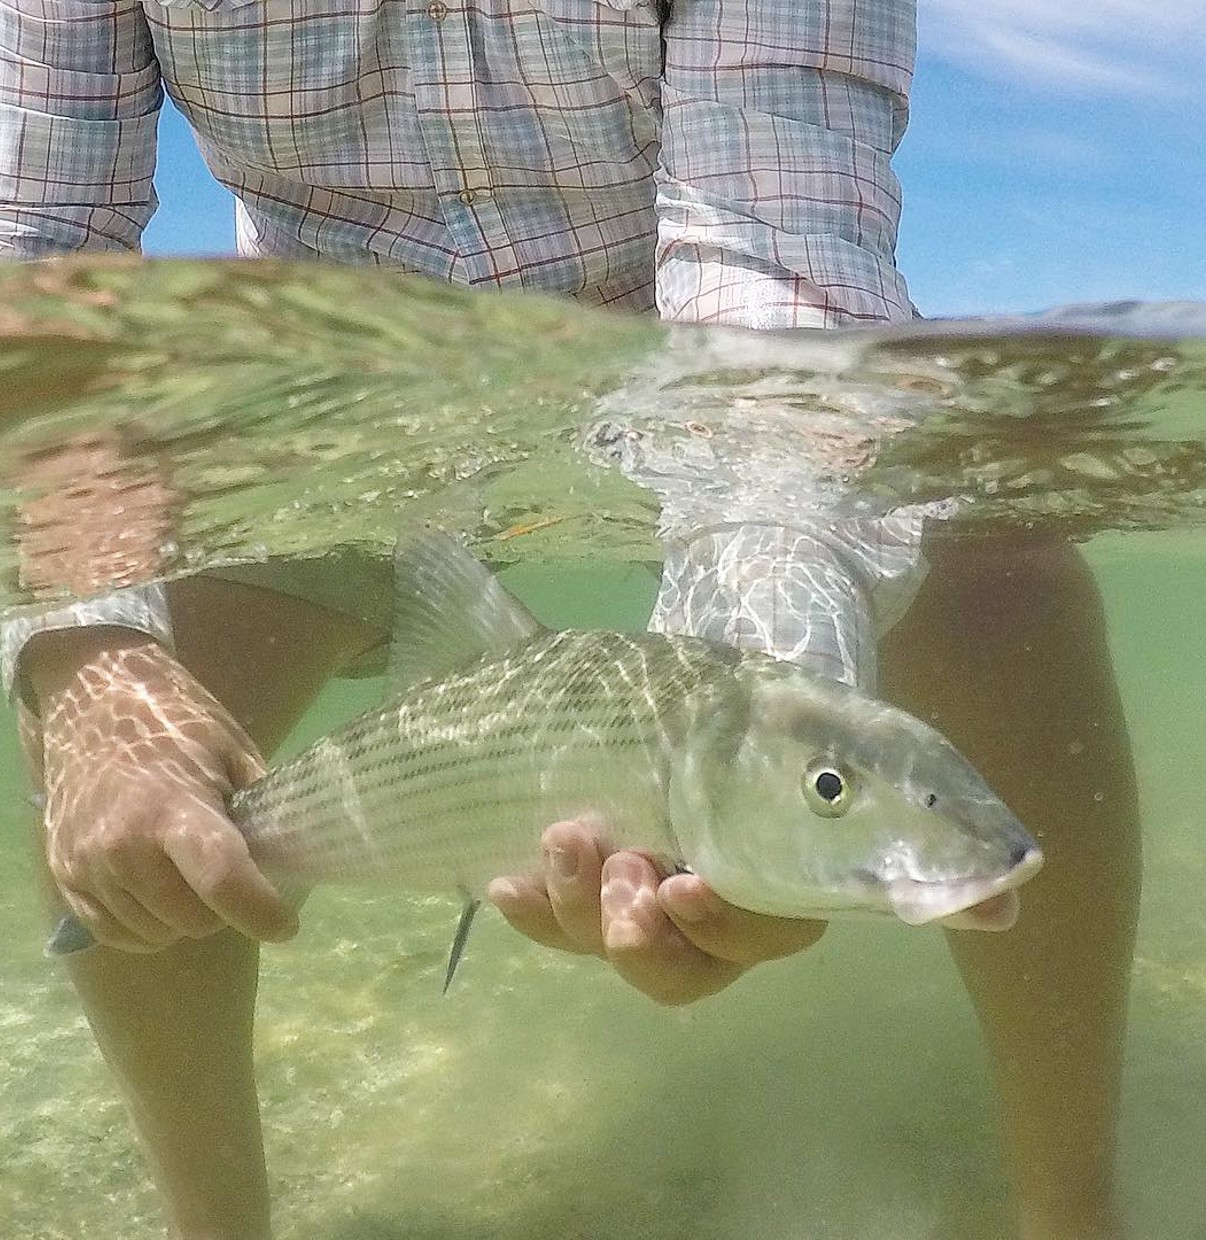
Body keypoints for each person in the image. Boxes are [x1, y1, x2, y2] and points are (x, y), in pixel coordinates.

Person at [0, 3, 1140, 1239]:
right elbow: (38, 246)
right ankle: (213, 1226)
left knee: (1007, 581)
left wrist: (771, 673)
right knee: (134, 729)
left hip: (698, 393)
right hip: (328, 411)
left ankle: (1069, 1214)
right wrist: (88, 656)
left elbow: (774, 252)